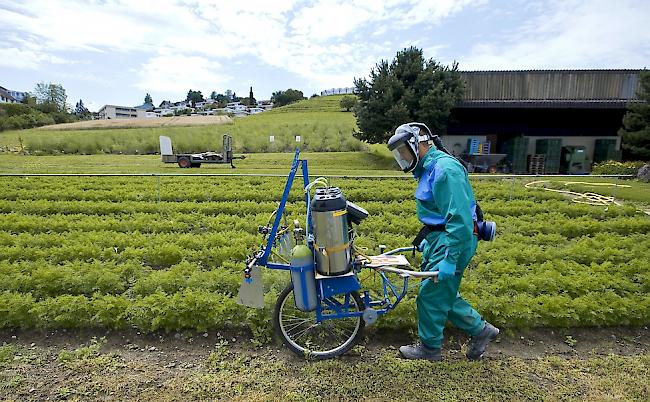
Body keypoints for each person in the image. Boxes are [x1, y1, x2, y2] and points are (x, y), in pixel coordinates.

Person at [386, 122, 499, 361]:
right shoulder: (429, 168)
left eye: (405, 152)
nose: (404, 159)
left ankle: (430, 349)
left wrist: (449, 258)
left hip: (454, 239)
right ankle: (481, 331)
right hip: (440, 238)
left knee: (430, 296)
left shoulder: (445, 170)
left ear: (420, 144)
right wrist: (431, 241)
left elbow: (459, 220)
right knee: (441, 294)